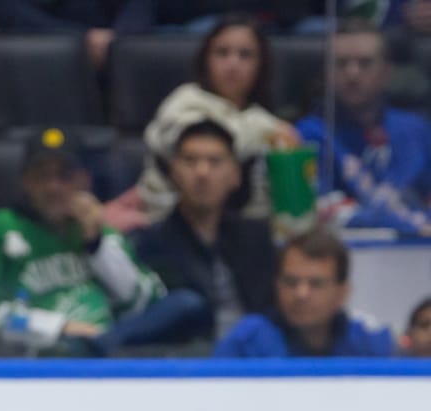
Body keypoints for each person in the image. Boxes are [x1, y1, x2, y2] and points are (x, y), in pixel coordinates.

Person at [0, 127, 200, 356]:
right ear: (25, 181)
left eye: (64, 175)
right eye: (42, 176)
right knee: (71, 349)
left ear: (84, 180)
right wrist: (57, 328)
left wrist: (96, 245)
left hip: (114, 349)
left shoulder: (100, 231)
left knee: (188, 304)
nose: (53, 186)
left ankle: (101, 345)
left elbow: (144, 303)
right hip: (44, 352)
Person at [129, 15, 299, 228]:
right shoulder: (184, 101)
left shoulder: (264, 119)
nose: (233, 63)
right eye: (222, 53)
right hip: (170, 226)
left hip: (247, 231)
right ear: (205, 59)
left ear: (261, 65)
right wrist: (270, 133)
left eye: (245, 55)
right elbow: (209, 143)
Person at [134, 120, 279, 345]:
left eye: (215, 161)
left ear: (235, 175)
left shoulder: (258, 238)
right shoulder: (150, 243)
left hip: (256, 363)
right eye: (190, 161)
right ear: (173, 172)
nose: (202, 173)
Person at [295, 22, 431, 237]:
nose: (352, 73)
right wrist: (410, 223)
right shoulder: (307, 135)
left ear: (387, 72)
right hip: (344, 254)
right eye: (341, 63)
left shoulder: (416, 129)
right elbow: (318, 212)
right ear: (326, 73)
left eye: (365, 63)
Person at [214, 229, 395, 356]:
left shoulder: (368, 344)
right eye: (291, 282)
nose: (301, 294)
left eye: (316, 284)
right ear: (277, 286)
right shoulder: (246, 343)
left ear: (342, 292)